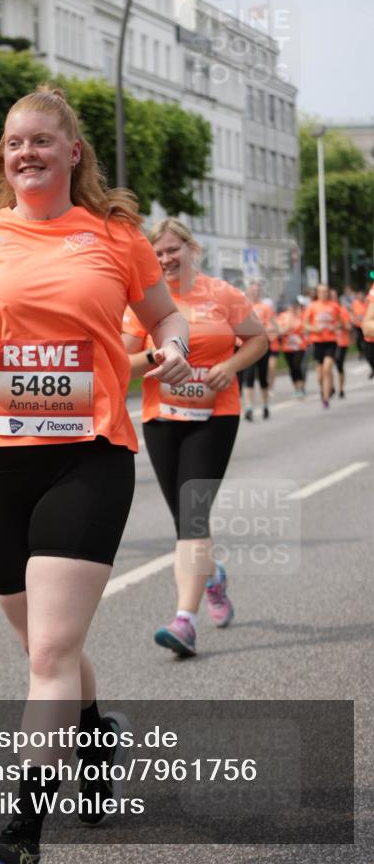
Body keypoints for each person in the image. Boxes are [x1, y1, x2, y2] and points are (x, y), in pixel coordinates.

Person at [0, 86, 191, 864]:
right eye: (13, 144)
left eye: (42, 140)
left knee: (47, 655)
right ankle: (95, 735)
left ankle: (20, 833)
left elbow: (163, 315)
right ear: (1, 158)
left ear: (74, 153)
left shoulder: (113, 234)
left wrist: (168, 344)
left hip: (86, 457)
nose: (26, 153)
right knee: (44, 645)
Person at [122, 219, 268, 658]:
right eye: (158, 253)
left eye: (172, 250)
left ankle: (184, 621)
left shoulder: (223, 294)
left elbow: (258, 339)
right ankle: (213, 575)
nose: (165, 259)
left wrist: (231, 365)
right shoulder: (145, 303)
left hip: (214, 415)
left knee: (193, 516)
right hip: (161, 417)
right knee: (184, 521)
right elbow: (120, 362)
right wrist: (154, 354)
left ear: (191, 249)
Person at [241, 280, 277, 420]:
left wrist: (263, 329)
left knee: (262, 376)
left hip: (262, 344)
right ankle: (249, 407)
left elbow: (275, 327)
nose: (256, 291)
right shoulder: (242, 306)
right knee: (248, 376)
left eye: (258, 289)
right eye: (253, 289)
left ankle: (265, 405)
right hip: (248, 344)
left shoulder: (266, 308)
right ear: (248, 290)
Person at [303, 282, 341, 407]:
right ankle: (324, 389)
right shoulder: (312, 306)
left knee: (327, 368)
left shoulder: (334, 306)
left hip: (331, 341)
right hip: (317, 342)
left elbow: (340, 323)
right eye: (321, 291)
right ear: (317, 293)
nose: (324, 294)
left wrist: (333, 326)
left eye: (326, 291)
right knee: (320, 375)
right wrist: (315, 329)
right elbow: (305, 325)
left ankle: (326, 399)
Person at [276, 300, 306, 397]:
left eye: (294, 307)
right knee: (292, 368)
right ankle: (296, 388)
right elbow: (278, 329)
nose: (292, 309)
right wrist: (285, 329)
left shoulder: (301, 315)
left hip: (299, 346)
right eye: (290, 307)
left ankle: (301, 387)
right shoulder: (283, 317)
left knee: (297, 365)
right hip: (287, 346)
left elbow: (304, 327)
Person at [331, 288, 351, 399]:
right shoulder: (324, 311)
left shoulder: (342, 310)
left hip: (341, 342)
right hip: (329, 342)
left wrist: (341, 325)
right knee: (328, 365)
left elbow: (348, 327)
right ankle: (331, 386)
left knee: (339, 365)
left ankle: (341, 388)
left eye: (333, 296)